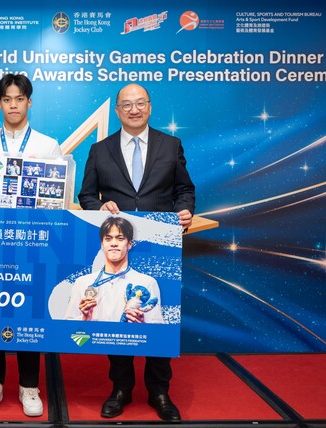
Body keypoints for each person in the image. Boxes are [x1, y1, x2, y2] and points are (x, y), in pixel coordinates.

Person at [78, 83, 195, 422]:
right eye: (126, 105)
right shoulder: (100, 150)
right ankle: (121, 389)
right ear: (117, 111)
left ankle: (159, 391)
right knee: (118, 313)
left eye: (140, 103)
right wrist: (100, 207)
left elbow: (184, 189)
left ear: (149, 107)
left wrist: (185, 210)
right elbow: (87, 196)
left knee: (156, 316)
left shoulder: (170, 145)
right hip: (119, 245)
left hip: (160, 245)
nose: (134, 109)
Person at [0, 73, 62, 417]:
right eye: (7, 99)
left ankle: (29, 386)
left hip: (31, 245)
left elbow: (59, 196)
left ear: (29, 102)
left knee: (30, 313)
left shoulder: (48, 145)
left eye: (19, 99)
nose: (13, 105)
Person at [64, 216, 164, 323]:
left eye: (120, 238)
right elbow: (67, 325)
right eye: (108, 239)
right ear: (102, 244)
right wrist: (85, 319)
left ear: (130, 244)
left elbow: (157, 327)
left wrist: (141, 324)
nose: (114, 243)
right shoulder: (82, 283)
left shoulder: (147, 282)